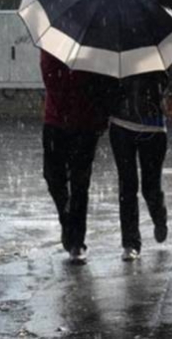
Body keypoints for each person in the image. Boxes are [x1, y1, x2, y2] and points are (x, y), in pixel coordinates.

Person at [41, 50, 113, 264]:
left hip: (85, 124)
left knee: (80, 183)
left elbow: (102, 85)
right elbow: (50, 79)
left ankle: (76, 241)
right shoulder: (53, 47)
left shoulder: (95, 50)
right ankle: (68, 221)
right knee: (53, 177)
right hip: (56, 122)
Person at [109, 71, 169, 262]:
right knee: (127, 186)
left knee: (150, 187)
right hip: (121, 124)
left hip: (152, 127)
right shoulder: (112, 54)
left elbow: (164, 81)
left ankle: (159, 216)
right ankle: (130, 243)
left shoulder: (154, 53)